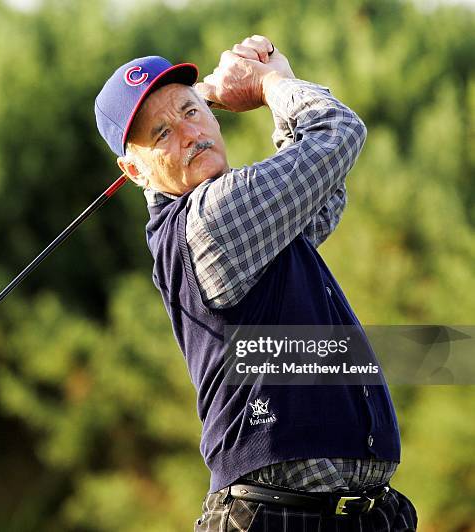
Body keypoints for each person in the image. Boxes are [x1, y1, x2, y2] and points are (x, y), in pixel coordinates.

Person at [94, 35, 418, 531]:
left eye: (192, 111)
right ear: (133, 171)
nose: (188, 133)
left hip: (352, 514)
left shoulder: (236, 222)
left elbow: (320, 195)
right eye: (160, 133)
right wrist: (271, 83)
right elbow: (337, 132)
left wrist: (274, 84)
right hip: (276, 516)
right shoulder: (212, 218)